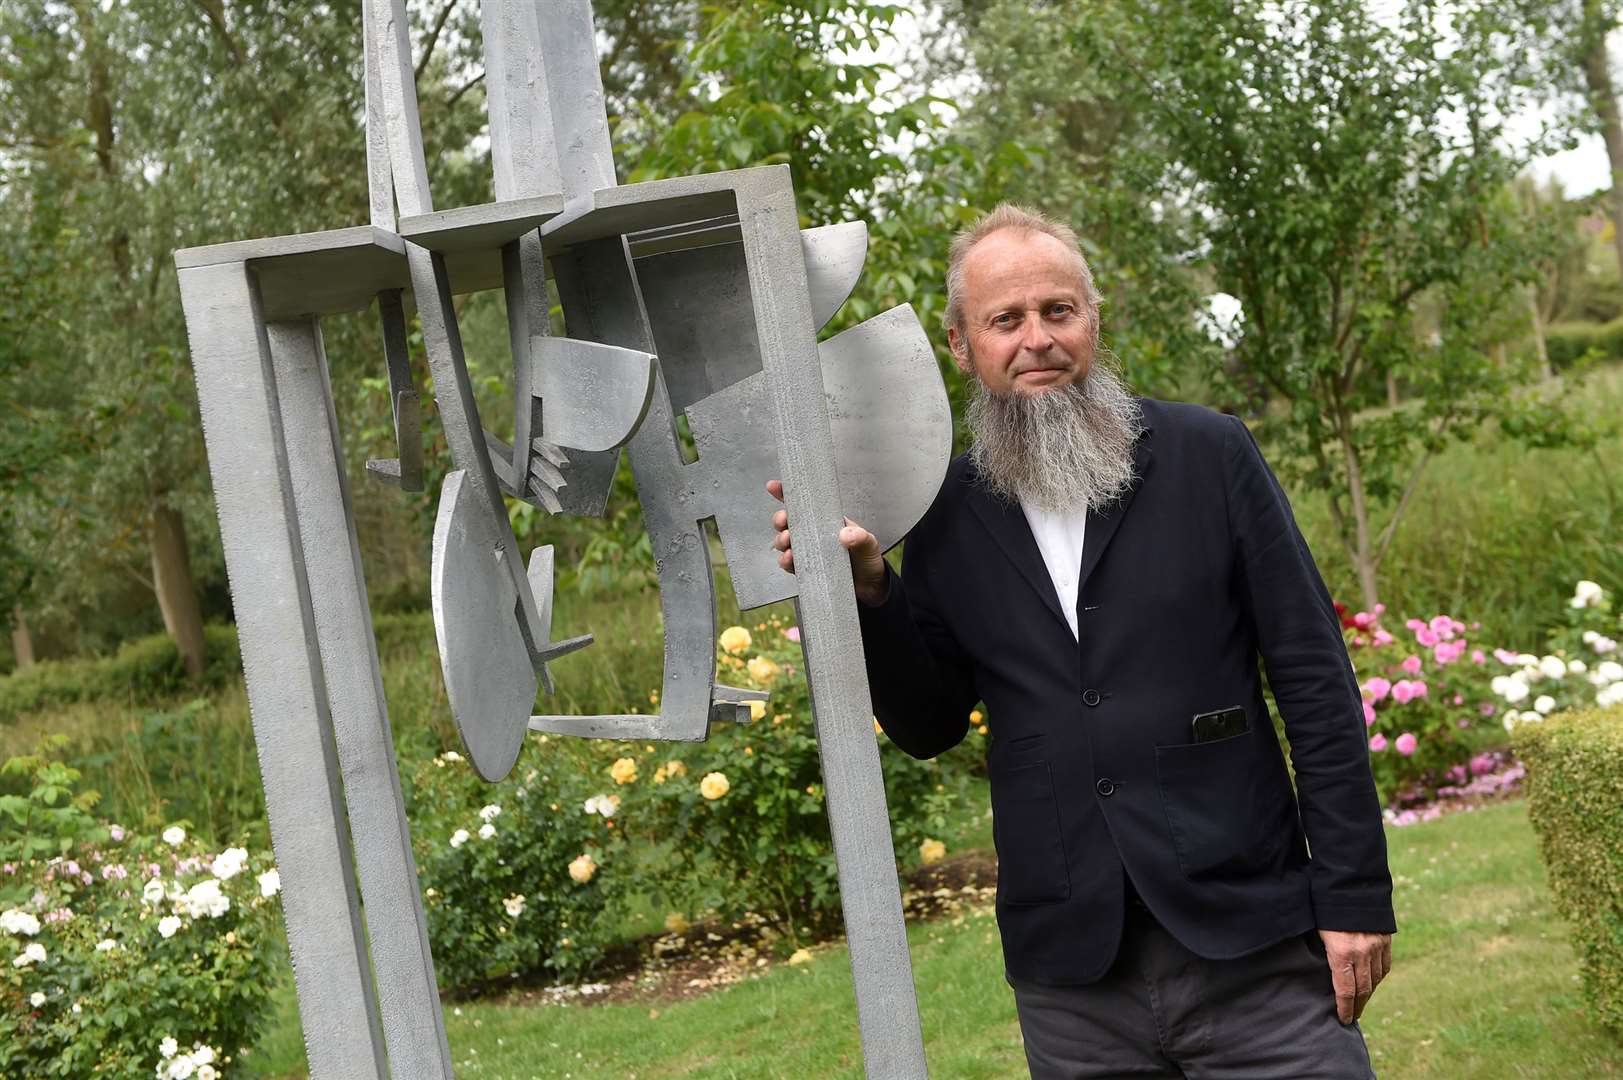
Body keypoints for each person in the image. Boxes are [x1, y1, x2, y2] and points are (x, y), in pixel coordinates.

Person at [768, 204, 1394, 1078]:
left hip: (1254, 944)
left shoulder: (1210, 456)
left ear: (1092, 320)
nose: (1037, 340)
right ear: (960, 345)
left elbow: (1316, 684)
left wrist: (1355, 897)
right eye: (1005, 320)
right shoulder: (941, 514)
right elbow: (930, 723)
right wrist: (874, 589)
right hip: (1071, 979)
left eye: (1058, 311)